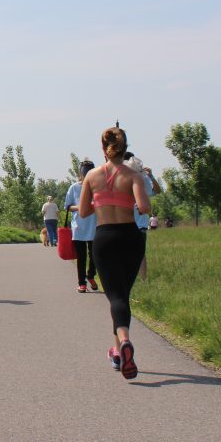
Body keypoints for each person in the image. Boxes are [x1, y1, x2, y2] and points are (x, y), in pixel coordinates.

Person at [79, 126, 151, 381]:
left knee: (115, 297)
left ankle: (124, 342)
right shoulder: (134, 176)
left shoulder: (92, 176)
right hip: (130, 237)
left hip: (105, 238)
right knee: (122, 296)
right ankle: (119, 351)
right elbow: (144, 207)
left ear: (103, 148)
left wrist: (101, 201)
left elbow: (83, 212)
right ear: (124, 147)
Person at [123, 153, 161, 281]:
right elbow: (156, 191)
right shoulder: (141, 178)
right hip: (136, 223)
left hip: (133, 223)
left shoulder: (135, 178)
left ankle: (135, 279)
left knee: (134, 254)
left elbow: (157, 191)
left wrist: (151, 176)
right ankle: (141, 280)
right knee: (139, 254)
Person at [64, 159, 98, 293]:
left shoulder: (98, 186)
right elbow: (67, 206)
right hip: (78, 227)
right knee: (81, 257)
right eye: (85, 171)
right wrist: (80, 207)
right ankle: (81, 283)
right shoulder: (74, 187)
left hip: (95, 226)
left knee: (95, 255)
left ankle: (91, 276)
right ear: (81, 173)